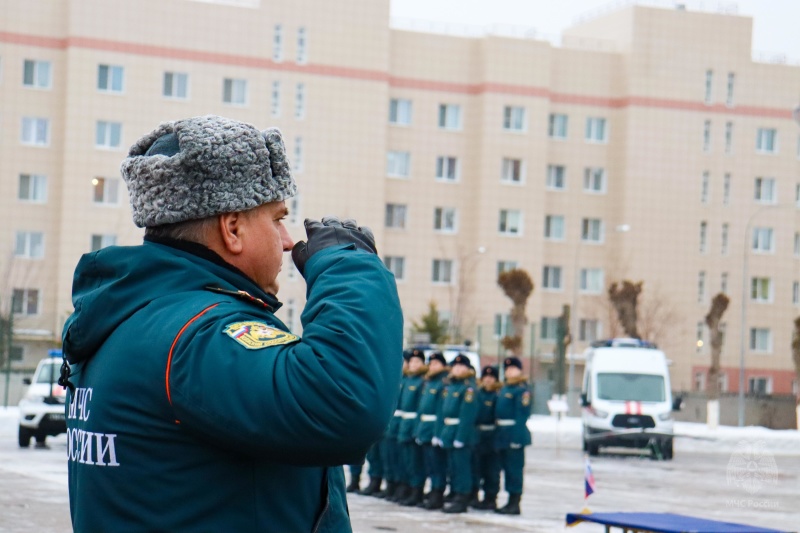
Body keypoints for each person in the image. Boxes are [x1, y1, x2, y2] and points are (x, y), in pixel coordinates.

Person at [59, 115, 403, 533]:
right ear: (233, 228)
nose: (288, 239)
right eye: (276, 218)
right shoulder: (197, 336)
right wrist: (349, 268)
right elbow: (344, 404)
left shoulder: (129, 319)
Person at [437, 354, 478, 514]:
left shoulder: (468, 388)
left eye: (461, 367)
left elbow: (467, 416)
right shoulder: (451, 386)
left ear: (467, 369)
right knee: (452, 466)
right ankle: (455, 494)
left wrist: (461, 437)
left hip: (461, 433)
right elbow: (443, 412)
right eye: (455, 366)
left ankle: (462, 498)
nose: (458, 369)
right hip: (449, 431)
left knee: (462, 468)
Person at [494, 356, 532, 516]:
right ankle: (509, 500)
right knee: (506, 469)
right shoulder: (505, 389)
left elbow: (521, 416)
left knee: (514, 470)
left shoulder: (522, 391)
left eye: (513, 369)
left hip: (514, 434)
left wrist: (516, 439)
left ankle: (515, 502)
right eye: (507, 369)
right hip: (502, 433)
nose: (510, 372)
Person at [413, 351, 449, 510]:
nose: (432, 366)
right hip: (425, 428)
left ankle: (437, 493)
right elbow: (421, 408)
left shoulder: (443, 383)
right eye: (431, 363)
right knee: (429, 464)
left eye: (436, 363)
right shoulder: (429, 382)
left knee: (437, 464)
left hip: (435, 428)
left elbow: (441, 411)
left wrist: (437, 433)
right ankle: (431, 492)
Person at [394, 348, 427, 506]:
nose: (413, 364)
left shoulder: (423, 381)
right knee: (404, 460)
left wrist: (417, 428)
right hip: (403, 425)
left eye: (417, 362)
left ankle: (416, 491)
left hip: (414, 424)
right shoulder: (407, 379)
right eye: (411, 361)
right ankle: (405, 488)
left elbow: (421, 408)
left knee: (415, 462)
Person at [376, 351, 410, 500]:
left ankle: (404, 488)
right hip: (392, 424)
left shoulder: (415, 381)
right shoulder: (392, 377)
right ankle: (391, 485)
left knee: (405, 460)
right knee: (389, 458)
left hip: (405, 425)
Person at [471, 365, 501, 510]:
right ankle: (475, 496)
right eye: (486, 377)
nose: (488, 380)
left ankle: (490, 498)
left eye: (491, 377)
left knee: (492, 470)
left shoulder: (497, 395)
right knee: (477, 468)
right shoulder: (478, 393)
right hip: (478, 435)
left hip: (492, 435)